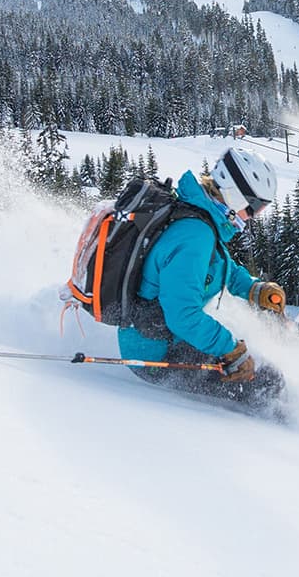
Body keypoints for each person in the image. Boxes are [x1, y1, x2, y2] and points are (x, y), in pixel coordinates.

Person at [119, 146, 288, 413]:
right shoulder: (195, 236)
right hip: (155, 355)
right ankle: (284, 438)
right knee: (268, 382)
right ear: (234, 195)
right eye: (255, 207)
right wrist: (230, 350)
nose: (255, 216)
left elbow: (220, 266)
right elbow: (183, 316)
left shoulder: (201, 218)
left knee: (257, 365)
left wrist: (254, 288)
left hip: (165, 337)